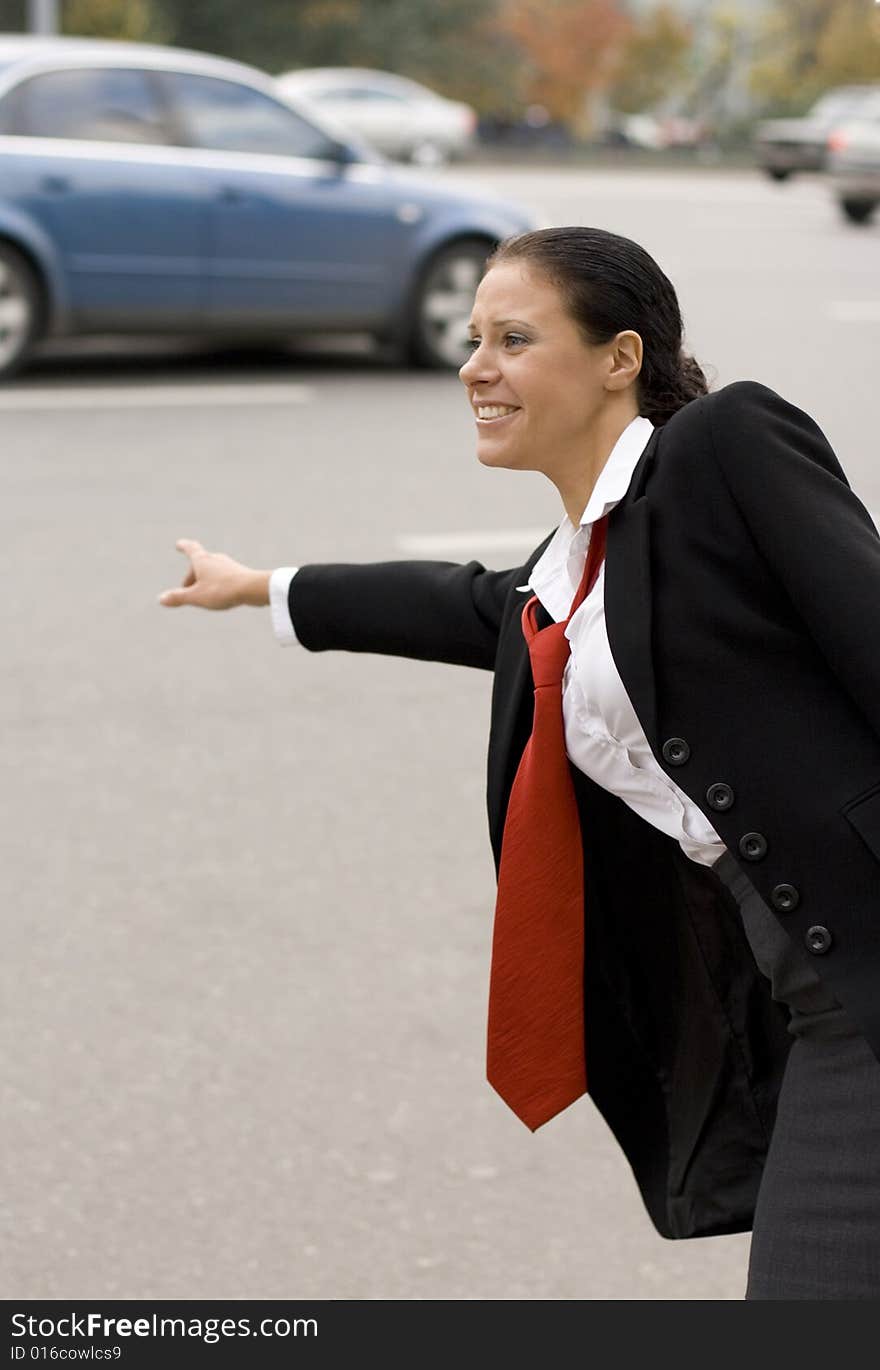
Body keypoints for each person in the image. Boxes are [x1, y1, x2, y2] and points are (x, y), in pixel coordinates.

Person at [159, 226, 880, 1300]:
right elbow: (455, 603)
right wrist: (261, 584)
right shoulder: (565, 578)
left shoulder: (724, 448)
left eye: (512, 337)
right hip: (812, 990)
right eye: (470, 339)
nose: (474, 368)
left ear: (617, 359)